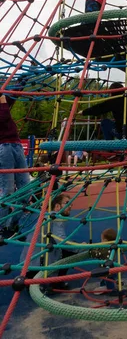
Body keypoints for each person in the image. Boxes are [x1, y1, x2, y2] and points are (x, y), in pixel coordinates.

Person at [20, 193, 72, 288]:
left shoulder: (48, 216)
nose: (70, 206)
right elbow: (61, 241)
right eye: (67, 203)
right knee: (70, 252)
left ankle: (33, 279)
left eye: (71, 204)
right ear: (57, 206)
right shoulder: (55, 217)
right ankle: (56, 282)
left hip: (29, 262)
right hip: (39, 262)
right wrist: (81, 247)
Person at [0, 93, 31, 238]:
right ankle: (2, 226)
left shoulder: (3, 99)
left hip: (16, 145)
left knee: (26, 189)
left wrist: (22, 82)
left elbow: (14, 94)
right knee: (8, 190)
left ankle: (12, 224)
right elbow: (3, 118)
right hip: (3, 147)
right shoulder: (2, 105)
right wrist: (2, 102)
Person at [89, 227, 118, 294]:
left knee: (108, 278)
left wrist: (89, 249)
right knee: (106, 278)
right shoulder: (113, 247)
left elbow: (95, 254)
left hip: (107, 268)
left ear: (105, 240)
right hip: (113, 267)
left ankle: (111, 290)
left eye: (102, 240)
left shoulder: (105, 249)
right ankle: (104, 286)